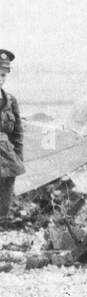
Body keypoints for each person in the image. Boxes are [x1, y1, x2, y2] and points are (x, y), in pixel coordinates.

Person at [0, 49, 25, 220]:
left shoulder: (10, 100)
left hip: (6, 156)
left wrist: (18, 158)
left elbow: (17, 133)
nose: (0, 79)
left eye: (3, 75)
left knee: (3, 204)